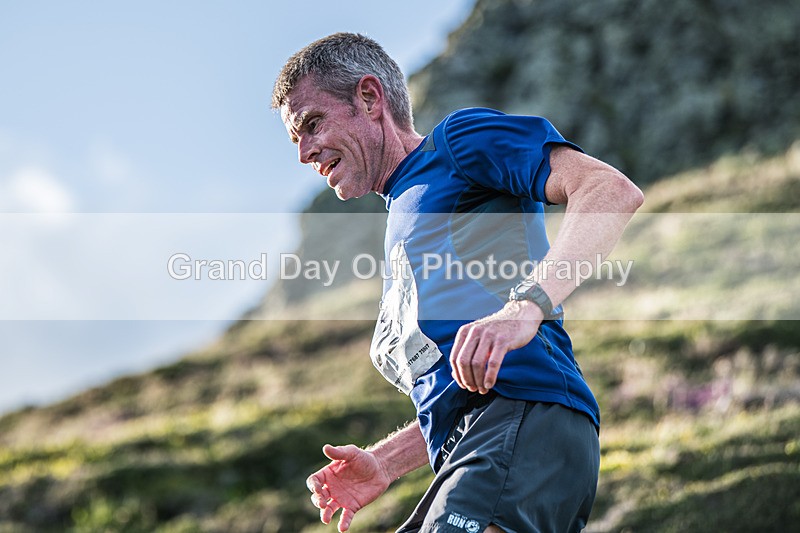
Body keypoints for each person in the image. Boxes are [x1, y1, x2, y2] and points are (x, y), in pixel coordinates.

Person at [272, 32, 643, 533]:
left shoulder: (456, 144)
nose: (304, 153)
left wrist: (525, 307)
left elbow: (608, 190)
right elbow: (464, 384)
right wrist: (385, 462)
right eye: (295, 139)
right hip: (476, 446)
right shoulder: (403, 211)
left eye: (312, 124)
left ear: (369, 97)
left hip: (528, 421)